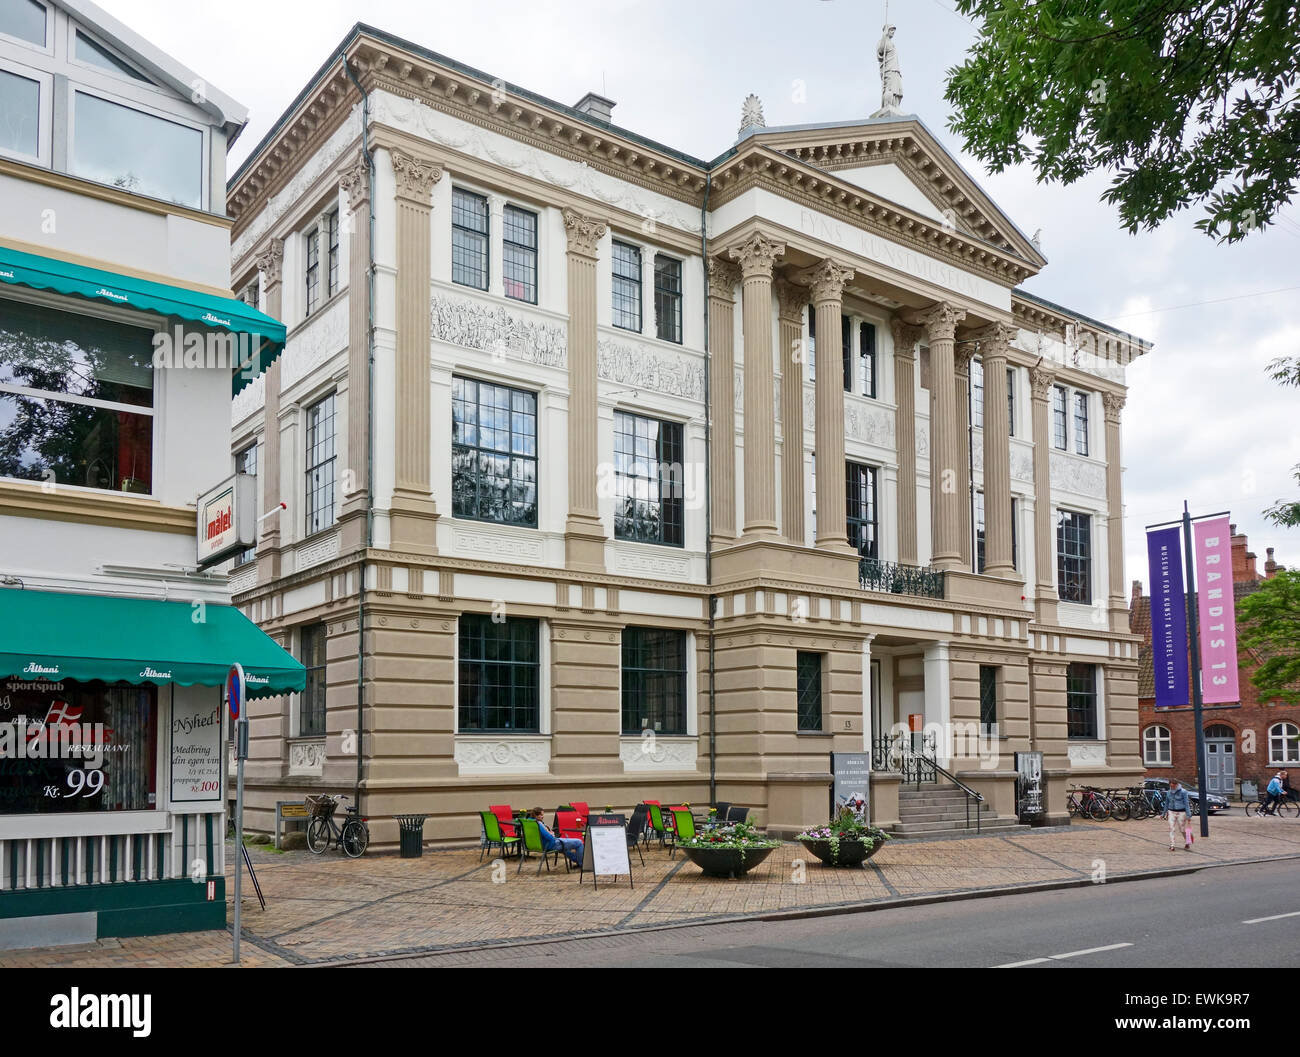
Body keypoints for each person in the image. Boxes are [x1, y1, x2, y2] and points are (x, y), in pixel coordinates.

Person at [1166, 779, 1191, 851]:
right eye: (1171, 786)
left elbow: (1186, 803)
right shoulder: (1168, 792)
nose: (1172, 787)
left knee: (1182, 829)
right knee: (1171, 828)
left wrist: (1188, 815)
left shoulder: (1183, 792)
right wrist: (1163, 813)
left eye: (1173, 786)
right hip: (1171, 811)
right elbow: (1167, 803)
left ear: (1176, 785)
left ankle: (1187, 841)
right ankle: (1172, 845)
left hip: (1181, 812)